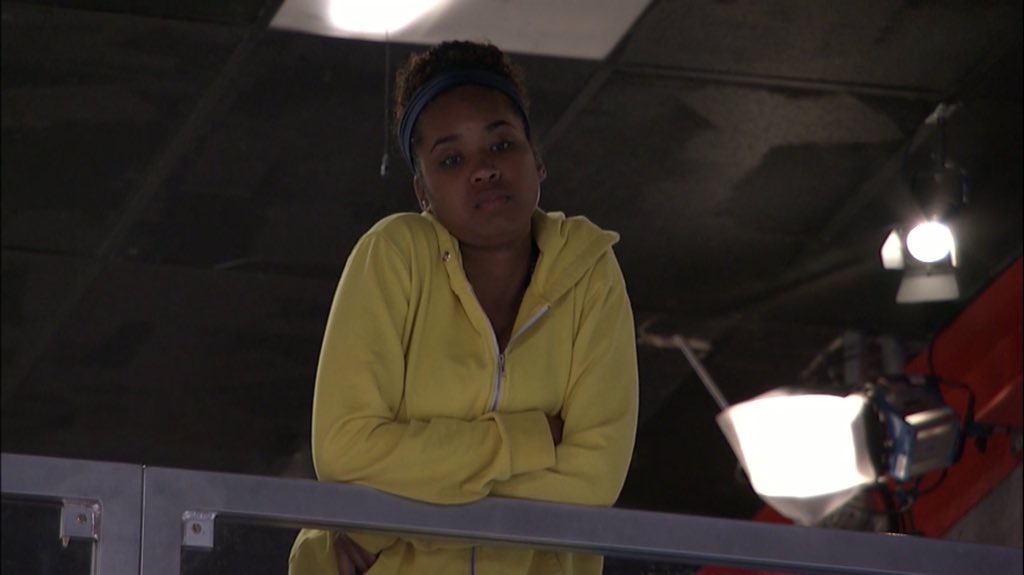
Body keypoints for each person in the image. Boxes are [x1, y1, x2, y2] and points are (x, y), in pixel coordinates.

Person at [289, 40, 638, 575]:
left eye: (502, 144)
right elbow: (343, 452)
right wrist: (528, 439)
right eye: (452, 159)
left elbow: (593, 481)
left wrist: (384, 516)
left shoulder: (590, 271)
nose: (483, 169)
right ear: (422, 192)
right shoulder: (394, 254)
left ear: (537, 160)